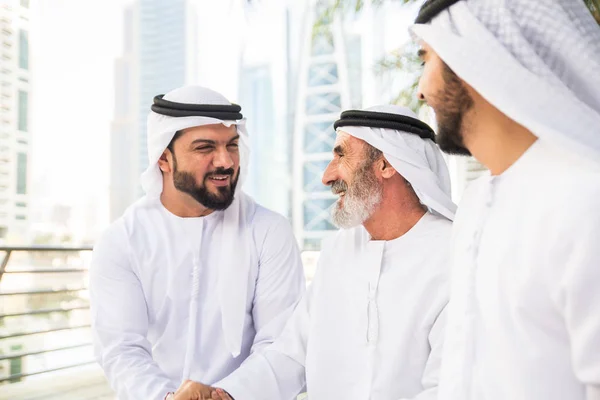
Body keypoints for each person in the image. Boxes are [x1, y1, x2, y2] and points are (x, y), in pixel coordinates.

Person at [411, 1, 600, 399]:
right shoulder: (478, 201)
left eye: (427, 59)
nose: (421, 89)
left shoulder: (586, 200)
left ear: (474, 59)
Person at [206, 105, 456, 400]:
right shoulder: (338, 251)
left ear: (387, 165)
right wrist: (223, 394)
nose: (326, 176)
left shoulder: (455, 255)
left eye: (341, 155)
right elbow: (291, 356)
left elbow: (447, 387)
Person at [89, 85, 305, 400]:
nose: (226, 161)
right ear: (164, 158)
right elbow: (121, 348)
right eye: (205, 148)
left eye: (232, 145)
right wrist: (165, 397)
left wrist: (227, 395)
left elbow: (282, 343)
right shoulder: (123, 240)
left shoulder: (270, 231)